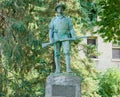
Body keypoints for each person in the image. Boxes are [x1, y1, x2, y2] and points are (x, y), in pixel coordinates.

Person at [49, 3, 76, 73]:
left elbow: (71, 28)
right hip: (56, 36)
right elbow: (51, 29)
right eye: (58, 8)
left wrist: (73, 36)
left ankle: (68, 69)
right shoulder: (54, 19)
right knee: (56, 53)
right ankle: (57, 69)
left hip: (65, 36)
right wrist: (51, 39)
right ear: (56, 10)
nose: (60, 9)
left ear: (63, 9)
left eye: (61, 8)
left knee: (67, 52)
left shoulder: (67, 19)